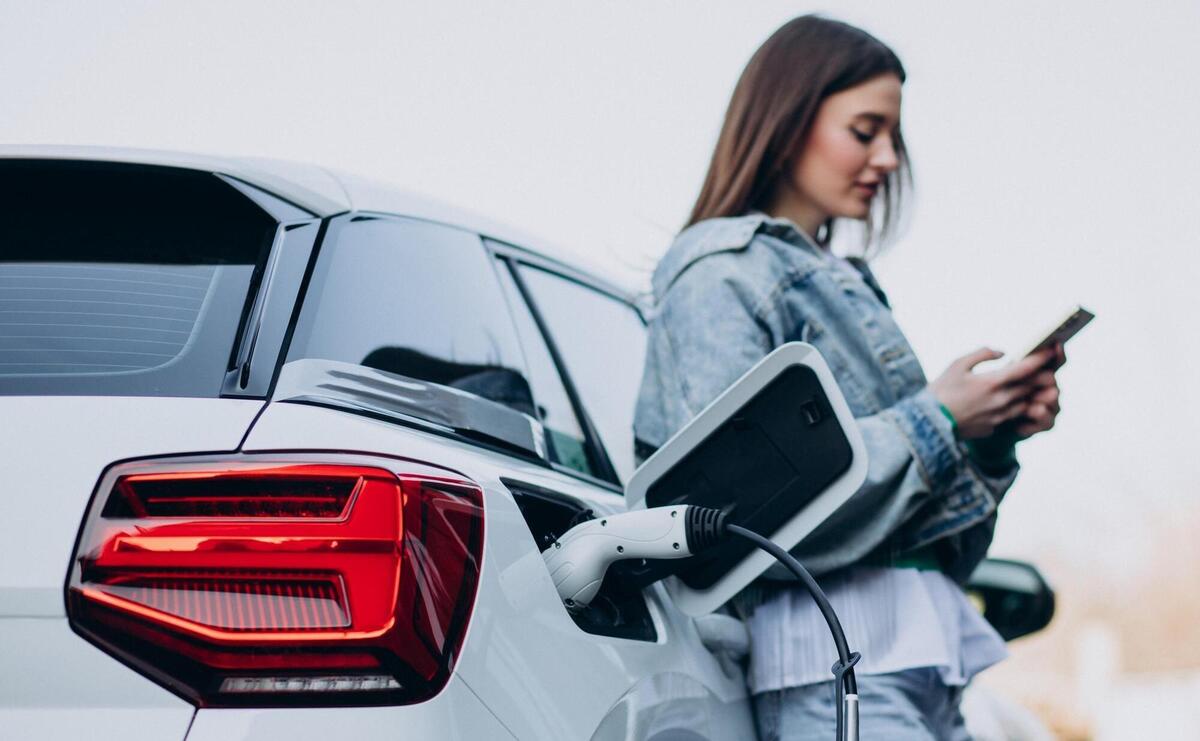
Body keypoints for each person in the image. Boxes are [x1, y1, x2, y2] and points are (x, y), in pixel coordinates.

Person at [633, 15, 1063, 741]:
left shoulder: (837, 280)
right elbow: (742, 514)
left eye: (893, 137)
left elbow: (924, 533)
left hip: (912, 667)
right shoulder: (722, 272)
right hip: (835, 669)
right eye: (865, 131)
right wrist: (939, 420)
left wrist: (987, 439)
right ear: (788, 119)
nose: (889, 159)